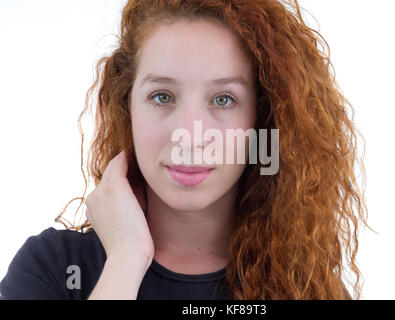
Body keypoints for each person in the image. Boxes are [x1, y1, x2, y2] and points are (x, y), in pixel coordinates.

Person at [0, 0, 371, 300]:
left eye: (223, 99)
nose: (190, 136)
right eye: (162, 96)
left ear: (262, 119)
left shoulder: (306, 288)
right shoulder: (52, 268)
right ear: (125, 108)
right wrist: (126, 260)